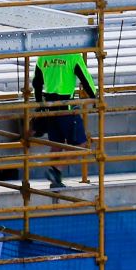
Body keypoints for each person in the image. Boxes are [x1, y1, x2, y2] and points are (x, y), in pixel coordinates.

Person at [31, 50, 97, 191]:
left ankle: (56, 179)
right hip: (66, 109)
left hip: (50, 108)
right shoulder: (73, 55)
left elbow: (36, 83)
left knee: (56, 145)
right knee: (80, 145)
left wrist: (40, 105)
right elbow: (86, 79)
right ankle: (55, 170)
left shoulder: (43, 56)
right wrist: (95, 97)